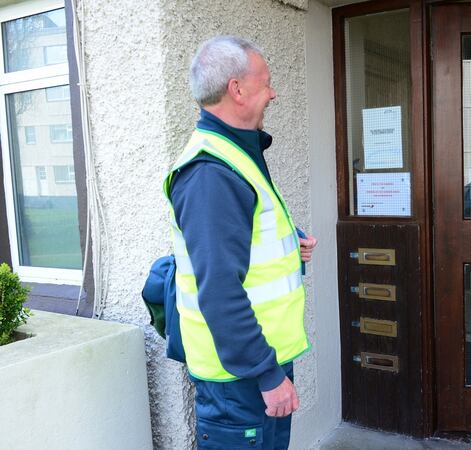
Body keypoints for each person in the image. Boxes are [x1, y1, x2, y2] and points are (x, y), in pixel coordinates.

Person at [164, 35, 317, 450]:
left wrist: (290, 242)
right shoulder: (212, 172)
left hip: (254, 366)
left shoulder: (236, 154)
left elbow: (233, 247)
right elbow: (218, 289)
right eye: (266, 82)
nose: (274, 92)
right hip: (241, 379)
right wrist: (267, 375)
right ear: (238, 89)